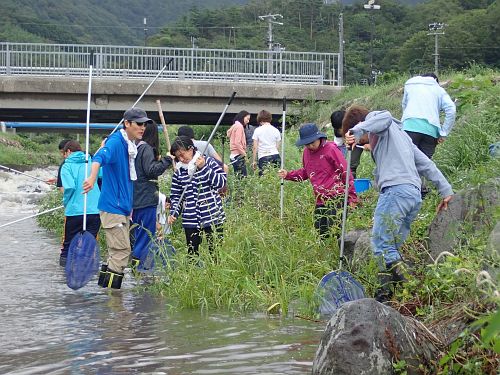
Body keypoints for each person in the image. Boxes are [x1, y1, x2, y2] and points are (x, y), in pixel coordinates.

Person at [343, 105, 453, 303]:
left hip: (396, 192)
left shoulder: (379, 120)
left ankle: (411, 290)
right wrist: (445, 190)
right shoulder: (401, 136)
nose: (361, 144)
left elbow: (383, 117)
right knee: (390, 247)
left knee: (381, 245)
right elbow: (426, 164)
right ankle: (385, 296)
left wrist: (356, 131)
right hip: (413, 196)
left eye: (359, 141)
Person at [83, 107, 151, 289]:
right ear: (126, 124)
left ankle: (105, 293)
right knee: (122, 251)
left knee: (115, 253)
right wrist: (91, 177)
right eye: (138, 123)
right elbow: (98, 157)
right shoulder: (116, 142)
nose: (142, 127)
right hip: (113, 208)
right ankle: (115, 302)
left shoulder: (129, 145)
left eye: (144, 124)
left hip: (120, 209)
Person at [278, 123, 357, 238]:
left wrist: (352, 196)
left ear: (319, 138)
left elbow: (345, 172)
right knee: (321, 231)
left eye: (312, 143)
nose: (310, 146)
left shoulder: (331, 149)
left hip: (336, 198)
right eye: (307, 144)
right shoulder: (306, 153)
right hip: (320, 199)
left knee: (336, 231)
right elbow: (306, 172)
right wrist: (288, 175)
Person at [168, 136, 227, 257]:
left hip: (212, 215)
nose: (181, 159)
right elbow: (176, 196)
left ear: (191, 149)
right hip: (191, 218)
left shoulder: (208, 162)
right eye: (178, 157)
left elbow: (221, 182)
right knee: (192, 254)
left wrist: (204, 168)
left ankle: (213, 275)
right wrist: (174, 212)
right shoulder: (179, 172)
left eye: (182, 154)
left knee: (216, 252)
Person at [131, 120, 173, 272]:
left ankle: (136, 271)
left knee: (140, 236)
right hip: (146, 199)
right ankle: (143, 270)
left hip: (137, 199)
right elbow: (151, 170)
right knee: (146, 237)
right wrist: (167, 160)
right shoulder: (146, 148)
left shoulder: (136, 148)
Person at [59, 140, 101, 267]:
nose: (64, 157)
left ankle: (63, 276)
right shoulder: (93, 163)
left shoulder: (66, 165)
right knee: (89, 245)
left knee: (68, 246)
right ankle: (86, 274)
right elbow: (101, 178)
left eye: (64, 154)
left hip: (74, 211)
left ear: (68, 152)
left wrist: (66, 201)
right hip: (95, 210)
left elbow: (69, 187)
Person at [401, 73, 456, 159]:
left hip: (409, 127)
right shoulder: (439, 90)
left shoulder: (410, 85)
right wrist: (443, 133)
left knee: (407, 162)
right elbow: (451, 110)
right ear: (435, 81)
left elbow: (405, 105)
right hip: (430, 131)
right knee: (424, 165)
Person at [331, 110, 371, 178]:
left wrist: (371, 145)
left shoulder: (361, 120)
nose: (343, 130)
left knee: (378, 156)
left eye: (344, 127)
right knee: (350, 164)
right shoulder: (338, 133)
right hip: (354, 143)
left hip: (369, 137)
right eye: (341, 129)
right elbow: (339, 149)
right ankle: (351, 181)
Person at [252, 109, 281, 176]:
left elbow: (255, 147)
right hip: (276, 156)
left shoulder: (257, 130)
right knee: (276, 178)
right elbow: (277, 147)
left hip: (263, 156)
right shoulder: (276, 130)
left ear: (260, 120)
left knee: (264, 179)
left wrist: (254, 161)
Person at [227, 110, 250, 177]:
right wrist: (244, 155)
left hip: (233, 155)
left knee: (238, 176)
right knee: (243, 177)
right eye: (247, 119)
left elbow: (229, 134)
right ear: (242, 117)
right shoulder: (239, 127)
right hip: (238, 155)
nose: (248, 121)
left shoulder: (234, 126)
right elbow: (237, 143)